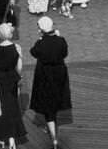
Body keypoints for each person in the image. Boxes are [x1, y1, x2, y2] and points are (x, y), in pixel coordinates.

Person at [30, 16, 72, 149]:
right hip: (59, 74)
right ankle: (53, 129)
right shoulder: (61, 41)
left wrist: (40, 40)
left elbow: (33, 52)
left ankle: (53, 136)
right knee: (55, 99)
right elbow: (64, 53)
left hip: (45, 75)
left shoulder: (41, 43)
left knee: (48, 106)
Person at [0, 22, 27, 149]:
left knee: (1, 106)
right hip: (12, 79)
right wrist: (18, 76)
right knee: (13, 106)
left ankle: (4, 137)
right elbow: (19, 68)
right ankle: (12, 139)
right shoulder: (16, 48)